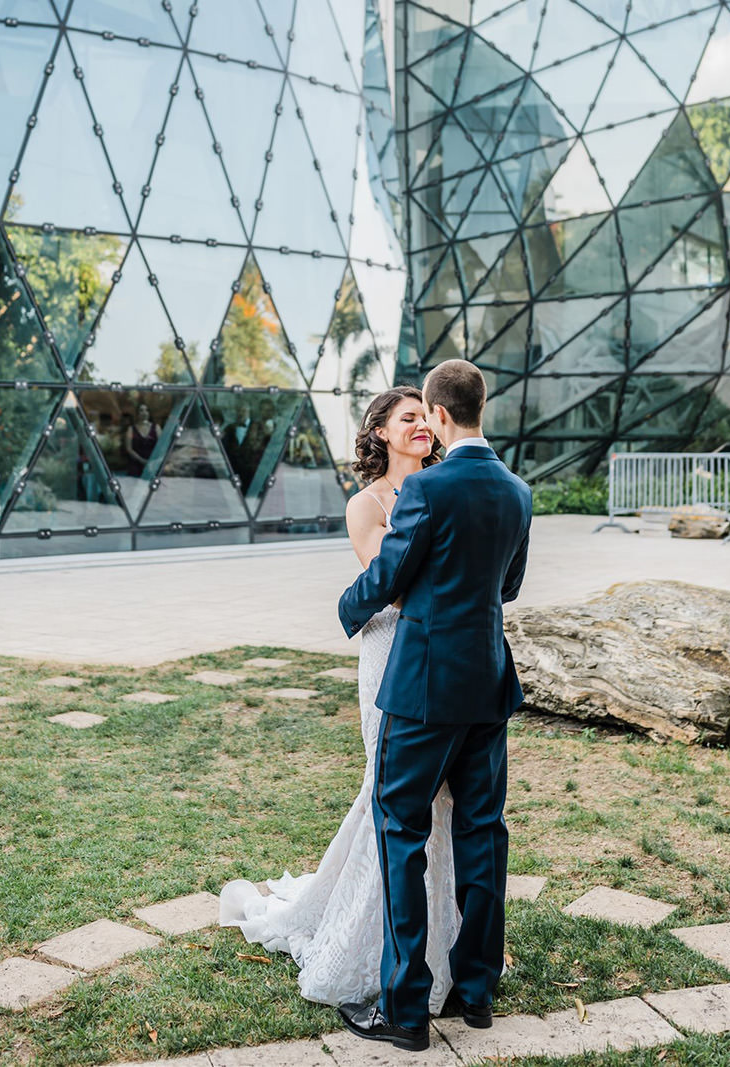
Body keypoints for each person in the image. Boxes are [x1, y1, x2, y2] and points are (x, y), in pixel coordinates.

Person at [218, 386, 461, 1011]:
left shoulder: (444, 488)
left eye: (424, 419)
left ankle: (436, 943)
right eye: (407, 419)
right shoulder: (367, 504)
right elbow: (396, 586)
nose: (421, 428)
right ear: (379, 431)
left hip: (443, 659)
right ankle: (364, 935)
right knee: (391, 789)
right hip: (390, 655)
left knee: (439, 797)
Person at [337, 358, 531, 1053]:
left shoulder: (427, 489)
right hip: (486, 682)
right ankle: (476, 992)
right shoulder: (516, 490)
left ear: (440, 414)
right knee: (483, 832)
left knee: (401, 833)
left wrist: (346, 608)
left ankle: (407, 1009)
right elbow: (506, 586)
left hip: (421, 687)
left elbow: (389, 575)